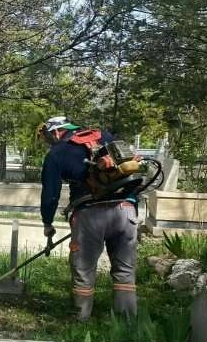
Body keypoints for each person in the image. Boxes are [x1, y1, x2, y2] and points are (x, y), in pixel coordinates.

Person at [40, 116, 139, 321]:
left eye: (48, 138)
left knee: (83, 270)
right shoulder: (105, 136)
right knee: (125, 270)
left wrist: (47, 223)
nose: (49, 142)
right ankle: (127, 323)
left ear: (56, 132)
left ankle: (80, 321)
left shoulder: (57, 153)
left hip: (89, 215)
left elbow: (50, 194)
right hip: (126, 210)